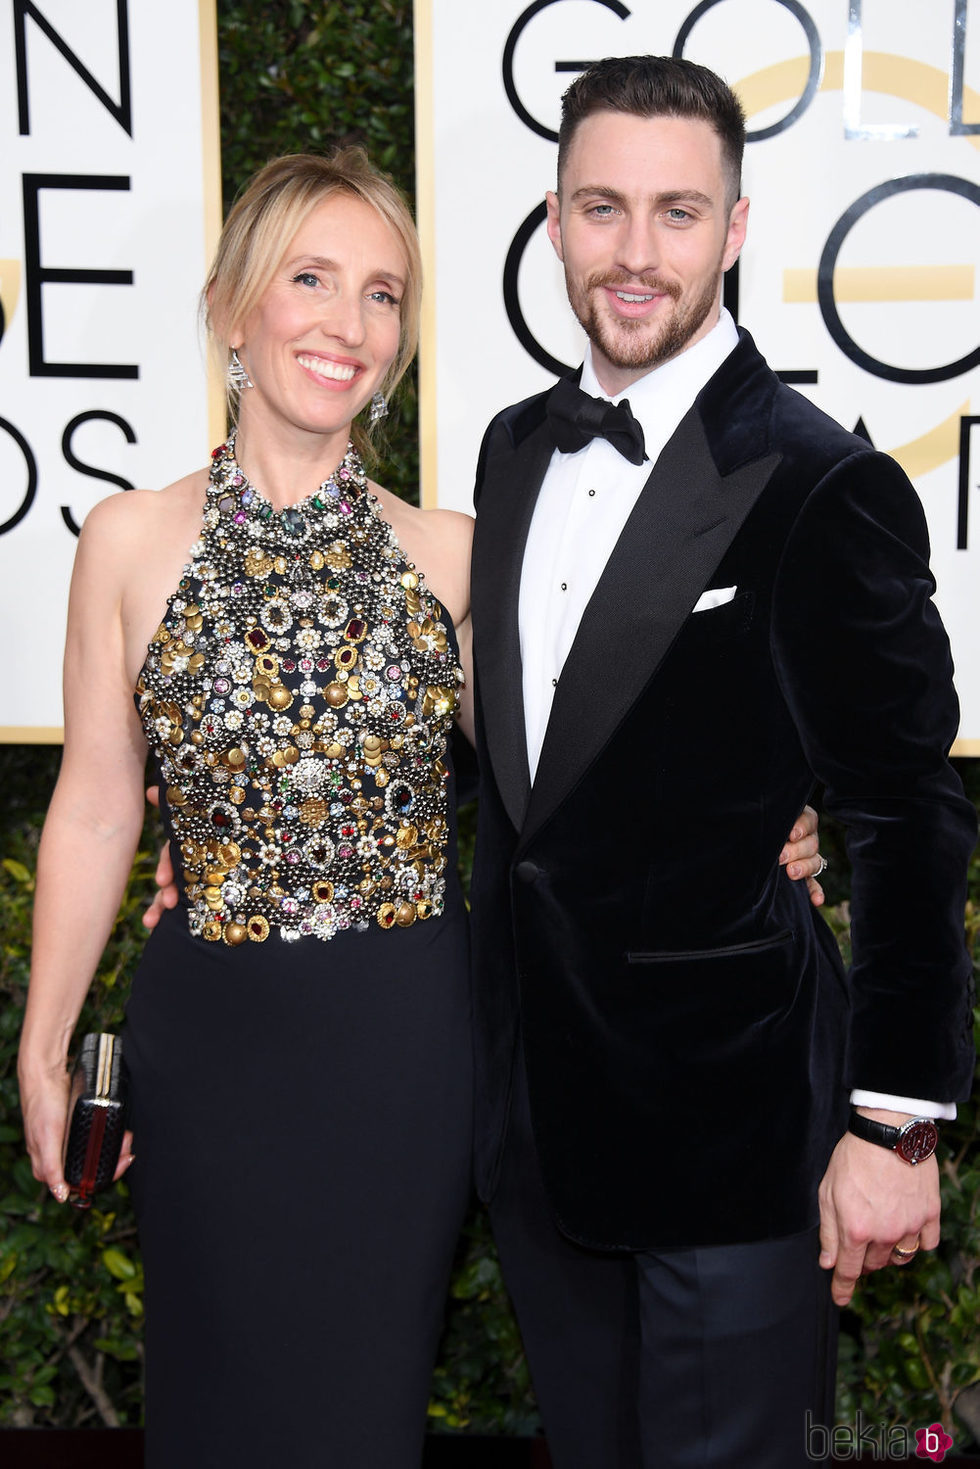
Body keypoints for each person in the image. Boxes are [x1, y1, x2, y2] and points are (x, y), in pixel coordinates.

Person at [465, 55, 977, 1469]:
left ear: (736, 230)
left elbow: (906, 814)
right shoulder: (512, 451)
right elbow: (525, 776)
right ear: (555, 221)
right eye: (603, 207)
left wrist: (898, 1126)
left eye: (678, 213)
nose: (637, 255)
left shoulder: (820, 482)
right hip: (541, 1134)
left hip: (735, 1141)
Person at [18, 149, 476, 1469]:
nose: (347, 322)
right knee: (215, 1417)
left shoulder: (451, 555)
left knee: (364, 1416)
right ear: (234, 307)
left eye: (381, 294)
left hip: (403, 1049)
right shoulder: (128, 540)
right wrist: (46, 1042)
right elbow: (99, 807)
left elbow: (567, 792)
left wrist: (766, 819)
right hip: (209, 1046)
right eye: (312, 278)